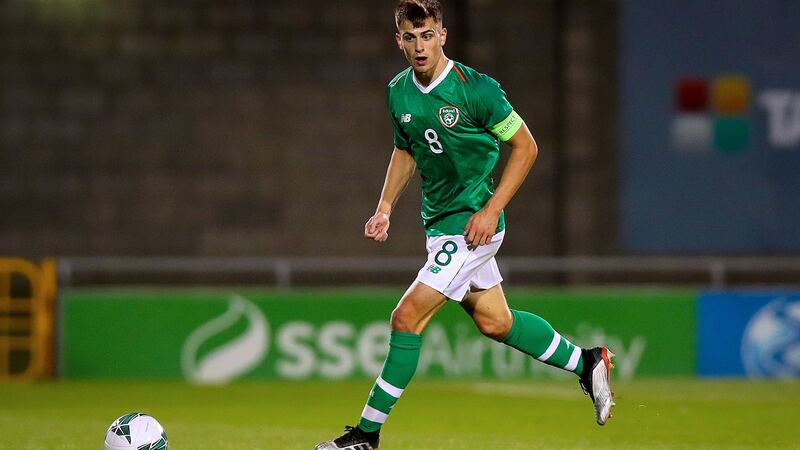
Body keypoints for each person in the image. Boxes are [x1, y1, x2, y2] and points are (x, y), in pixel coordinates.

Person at [316, 1, 614, 449]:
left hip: (472, 226)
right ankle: (588, 361)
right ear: (398, 40)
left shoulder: (475, 89)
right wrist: (384, 207)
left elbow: (526, 147)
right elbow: (406, 150)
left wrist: (491, 209)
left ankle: (365, 436)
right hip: (438, 226)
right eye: (410, 37)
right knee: (496, 322)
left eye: (428, 35)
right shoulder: (398, 91)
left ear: (443, 35)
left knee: (405, 318)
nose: (420, 46)